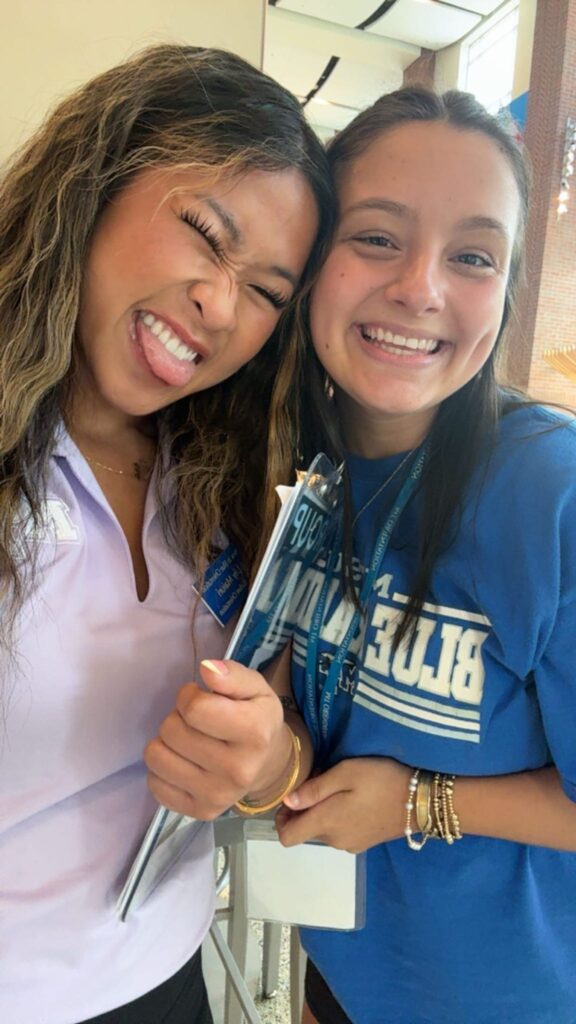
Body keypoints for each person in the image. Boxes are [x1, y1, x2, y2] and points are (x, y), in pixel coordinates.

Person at [0, 43, 334, 1024]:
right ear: (93, 186)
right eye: (204, 233)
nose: (220, 307)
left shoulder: (225, 477)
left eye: (266, 292)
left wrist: (265, 765)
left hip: (168, 974)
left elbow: (279, 732)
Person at [268, 87, 576, 1024]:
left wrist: (421, 801)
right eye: (376, 236)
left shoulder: (551, 494)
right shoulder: (282, 464)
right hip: (340, 972)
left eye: (473, 256)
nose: (421, 288)